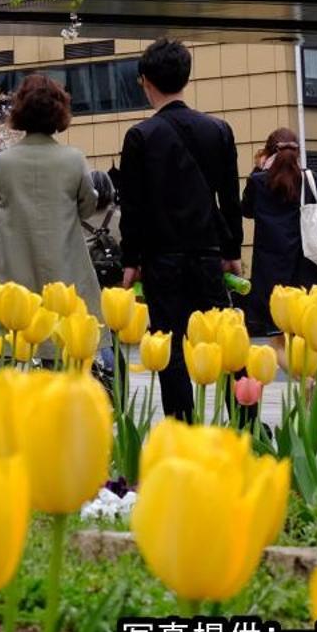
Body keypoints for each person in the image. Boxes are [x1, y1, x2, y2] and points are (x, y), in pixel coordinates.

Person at [115, 39, 244, 421]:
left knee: (169, 347)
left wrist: (131, 260)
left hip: (162, 260)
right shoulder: (219, 130)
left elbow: (133, 208)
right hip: (209, 256)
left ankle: (182, 426)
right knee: (225, 342)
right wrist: (232, 250)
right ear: (186, 77)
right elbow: (230, 199)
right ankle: (244, 421)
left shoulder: (140, 137)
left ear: (145, 81)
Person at [0, 75, 101, 316]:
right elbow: (88, 207)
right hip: (65, 264)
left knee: (16, 337)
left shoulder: (1, 162)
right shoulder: (73, 159)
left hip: (12, 269)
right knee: (67, 336)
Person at [239, 127, 317, 340]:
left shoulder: (259, 182)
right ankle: (308, 373)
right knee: (305, 337)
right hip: (307, 268)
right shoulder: (309, 180)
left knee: (277, 338)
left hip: (270, 274)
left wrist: (258, 169)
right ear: (298, 153)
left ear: (269, 152)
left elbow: (246, 210)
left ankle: (303, 375)